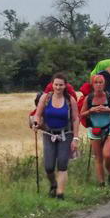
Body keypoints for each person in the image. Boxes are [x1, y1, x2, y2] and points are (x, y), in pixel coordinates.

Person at [32, 72, 80, 200]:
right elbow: (38, 113)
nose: (58, 87)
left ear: (65, 86)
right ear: (52, 85)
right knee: (48, 166)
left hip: (66, 134)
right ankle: (53, 185)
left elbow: (75, 119)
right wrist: (36, 122)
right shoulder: (45, 98)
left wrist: (75, 138)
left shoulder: (70, 100)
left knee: (62, 164)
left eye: (61, 85)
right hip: (49, 134)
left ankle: (60, 193)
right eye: (56, 84)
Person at [80, 74, 110, 187]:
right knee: (98, 158)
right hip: (94, 130)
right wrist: (91, 110)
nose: (98, 85)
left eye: (101, 82)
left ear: (104, 84)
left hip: (109, 128)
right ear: (92, 85)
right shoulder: (88, 98)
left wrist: (108, 109)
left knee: (107, 155)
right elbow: (81, 115)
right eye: (96, 83)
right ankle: (101, 184)